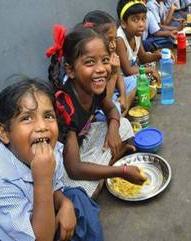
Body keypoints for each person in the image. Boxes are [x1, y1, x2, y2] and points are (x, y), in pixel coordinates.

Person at [0, 76, 103, 240]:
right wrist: (43, 180)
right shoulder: (1, 184)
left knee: (76, 197)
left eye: (48, 116)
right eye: (26, 118)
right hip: (27, 235)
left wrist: (64, 203)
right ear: (4, 133)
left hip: (45, 215)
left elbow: (55, 188)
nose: (42, 126)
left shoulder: (51, 152)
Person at [47, 25, 146, 199]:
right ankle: (111, 165)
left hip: (83, 142)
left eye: (105, 60)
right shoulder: (65, 105)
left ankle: (106, 166)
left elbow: (111, 110)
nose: (101, 69)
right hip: (66, 162)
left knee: (123, 124)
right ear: (70, 70)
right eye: (90, 62)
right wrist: (120, 171)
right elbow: (74, 168)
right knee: (81, 188)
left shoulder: (93, 89)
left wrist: (113, 130)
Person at [82, 10, 132, 118]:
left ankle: (121, 110)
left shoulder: (110, 53)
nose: (114, 45)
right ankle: (118, 116)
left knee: (134, 81)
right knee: (103, 115)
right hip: (101, 103)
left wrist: (123, 96)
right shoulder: (92, 66)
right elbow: (105, 101)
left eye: (114, 39)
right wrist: (113, 74)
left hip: (112, 92)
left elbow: (119, 76)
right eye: (109, 40)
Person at [116, 0, 162, 88]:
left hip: (134, 69)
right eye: (135, 20)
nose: (141, 24)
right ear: (123, 23)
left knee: (153, 66)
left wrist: (160, 56)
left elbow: (143, 57)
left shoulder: (136, 34)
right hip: (124, 79)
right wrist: (150, 70)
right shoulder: (119, 39)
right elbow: (127, 71)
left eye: (143, 18)